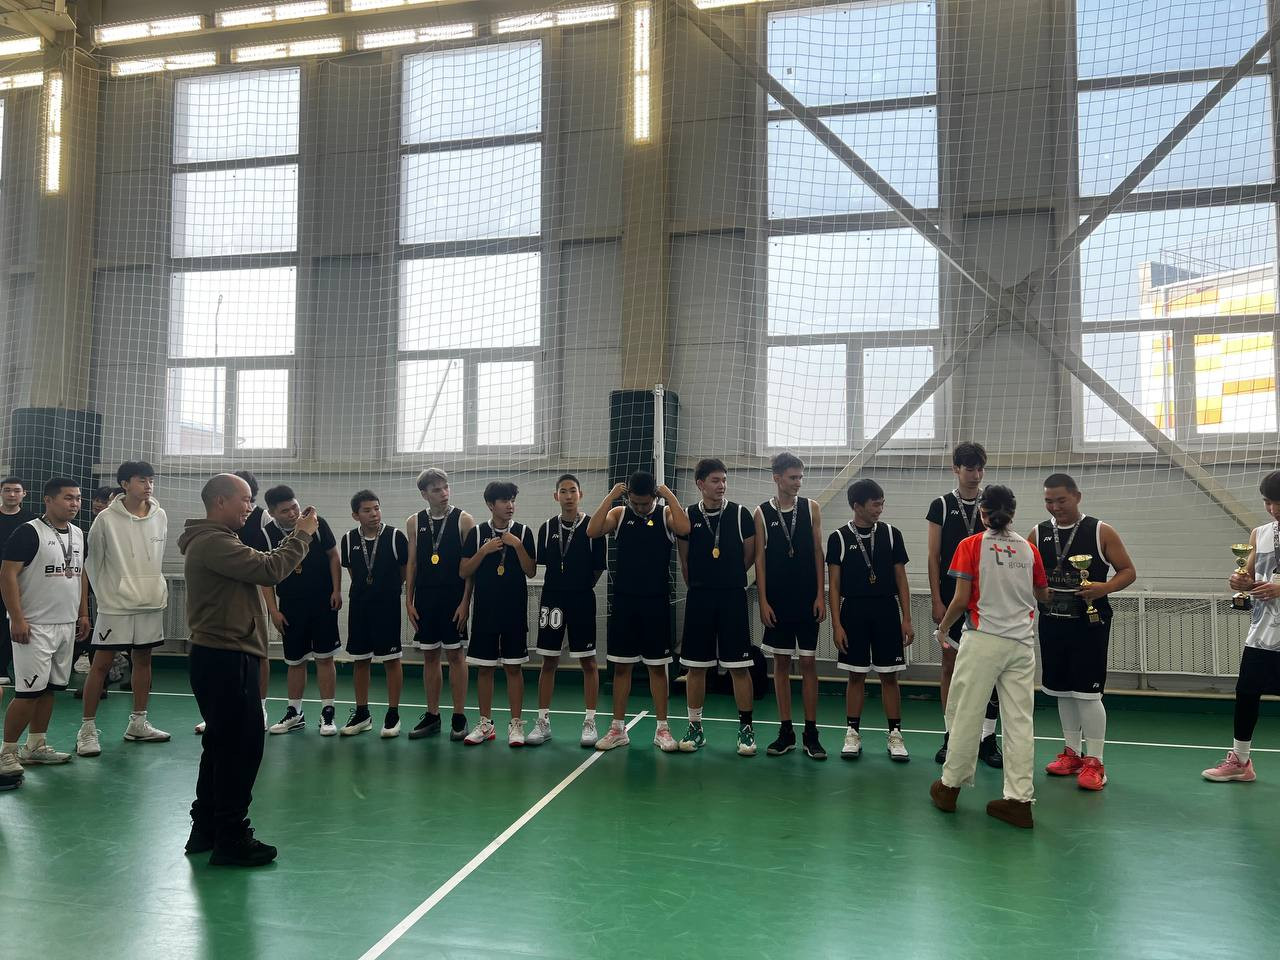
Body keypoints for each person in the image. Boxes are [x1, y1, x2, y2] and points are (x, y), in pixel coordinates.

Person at [179, 473, 314, 867]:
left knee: (220, 745)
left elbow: (263, 565)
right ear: (220, 501)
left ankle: (206, 828)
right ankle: (232, 836)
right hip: (225, 656)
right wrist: (301, 536)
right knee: (240, 749)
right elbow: (270, 570)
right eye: (245, 499)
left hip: (224, 654)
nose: (250, 507)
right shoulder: (214, 542)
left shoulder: (220, 539)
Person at [930, 485, 1049, 829]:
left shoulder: (970, 545)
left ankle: (949, 787)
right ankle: (1019, 801)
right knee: (1019, 722)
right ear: (1013, 512)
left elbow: (961, 598)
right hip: (1022, 645)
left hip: (983, 640)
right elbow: (1043, 595)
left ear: (982, 512)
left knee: (965, 712)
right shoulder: (1030, 550)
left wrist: (943, 628)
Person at [1033, 473, 1136, 791]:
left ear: (1077, 496)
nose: (1055, 507)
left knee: (1088, 694)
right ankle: (1072, 753)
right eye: (1049, 501)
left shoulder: (1100, 530)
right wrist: (1038, 592)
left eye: (1061, 500)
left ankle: (1096, 762)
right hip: (1052, 621)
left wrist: (1104, 588)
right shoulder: (1037, 533)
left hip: (1089, 622)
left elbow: (1128, 571)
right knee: (1062, 691)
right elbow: (1027, 575)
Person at [588, 470, 690, 752]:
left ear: (653, 497)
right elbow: (592, 531)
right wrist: (611, 497)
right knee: (622, 667)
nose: (640, 508)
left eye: (645, 503)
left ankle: (663, 729)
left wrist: (669, 496)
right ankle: (617, 729)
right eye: (635, 502)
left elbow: (684, 528)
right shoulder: (620, 513)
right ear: (628, 497)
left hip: (656, 603)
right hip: (625, 603)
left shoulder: (665, 514)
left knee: (658, 668)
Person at [76, 462, 170, 758]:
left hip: (150, 603)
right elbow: (93, 563)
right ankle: (87, 729)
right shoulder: (105, 519)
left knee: (143, 660)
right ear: (125, 484)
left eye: (151, 480)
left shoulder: (160, 515)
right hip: (115, 606)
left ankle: (138, 723)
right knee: (101, 665)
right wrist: (107, 596)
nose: (148, 486)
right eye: (142, 480)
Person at [0, 478, 89, 782]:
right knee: (28, 693)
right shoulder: (28, 532)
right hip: (34, 626)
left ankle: (35, 745)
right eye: (68, 498)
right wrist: (17, 618)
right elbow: (7, 575)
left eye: (77, 498)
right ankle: (6, 752)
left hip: (65, 624)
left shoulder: (78, 534)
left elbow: (80, 575)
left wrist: (83, 613)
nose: (74, 504)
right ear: (48, 500)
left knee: (50, 689)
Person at [926, 442, 1002, 767]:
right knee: (950, 667)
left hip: (987, 601)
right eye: (969, 468)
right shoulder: (941, 506)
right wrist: (937, 599)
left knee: (990, 668)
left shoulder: (993, 502)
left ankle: (987, 739)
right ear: (956, 469)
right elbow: (933, 557)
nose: (976, 474)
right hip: (952, 597)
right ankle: (951, 735)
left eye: (980, 468)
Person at [1202, 470, 1280, 782]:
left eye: (1278, 502)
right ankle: (1241, 761)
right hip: (1262, 633)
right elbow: (1246, 576)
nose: (1273, 509)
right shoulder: (1259, 534)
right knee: (1247, 693)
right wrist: (1239, 581)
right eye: (1267, 502)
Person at [676, 458, 758, 755]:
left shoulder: (740, 514)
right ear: (700, 484)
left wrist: (729, 578)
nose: (721, 485)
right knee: (696, 667)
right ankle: (695, 727)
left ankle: (746, 729)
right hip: (700, 598)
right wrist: (702, 583)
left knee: (739, 667)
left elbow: (749, 556)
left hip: (732, 597)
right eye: (715, 480)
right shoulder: (687, 516)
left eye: (724, 480)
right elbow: (684, 560)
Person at [828, 479, 913, 762]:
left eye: (882, 503)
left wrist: (907, 618)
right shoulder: (839, 538)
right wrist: (836, 625)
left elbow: (901, 579)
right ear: (857, 506)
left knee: (890, 676)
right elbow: (834, 586)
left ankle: (895, 735)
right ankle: (852, 733)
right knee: (856, 675)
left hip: (887, 610)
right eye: (875, 504)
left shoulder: (891, 534)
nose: (880, 509)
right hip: (853, 611)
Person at [754, 452, 826, 760]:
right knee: (781, 663)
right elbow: (759, 558)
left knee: (808, 663)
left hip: (807, 598)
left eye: (800, 477)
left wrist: (820, 595)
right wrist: (763, 600)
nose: (798, 482)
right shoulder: (761, 512)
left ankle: (811, 732)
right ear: (777, 478)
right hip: (778, 600)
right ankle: (786, 731)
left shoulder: (811, 508)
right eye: (793, 477)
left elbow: (818, 552)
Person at [527, 474, 607, 747]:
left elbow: (598, 568)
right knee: (548, 660)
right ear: (556, 496)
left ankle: (590, 721)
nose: (569, 495)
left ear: (580, 494)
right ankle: (543, 722)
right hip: (552, 600)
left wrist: (580, 586)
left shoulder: (593, 527)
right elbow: (543, 564)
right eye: (563, 491)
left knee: (588, 661)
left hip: (582, 599)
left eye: (573, 490)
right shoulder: (547, 527)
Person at [459, 481, 536, 746]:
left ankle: (516, 725)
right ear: (491, 505)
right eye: (504, 500)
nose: (510, 505)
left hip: (514, 611)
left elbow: (531, 571)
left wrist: (518, 546)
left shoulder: (523, 532)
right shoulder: (477, 533)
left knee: (514, 667)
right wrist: (483, 551)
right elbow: (464, 571)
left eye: (512, 500)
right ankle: (485, 724)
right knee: (485, 669)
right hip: (485, 612)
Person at [260, 485, 341, 737]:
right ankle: (295, 712)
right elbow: (265, 576)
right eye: (285, 511)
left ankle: (328, 713)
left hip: (322, 602)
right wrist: (273, 611)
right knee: (295, 661)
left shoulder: (317, 523)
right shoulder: (267, 534)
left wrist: (337, 590)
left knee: (325, 658)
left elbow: (333, 557)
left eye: (294, 507)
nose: (293, 513)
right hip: (290, 606)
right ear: (272, 513)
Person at [405, 468, 473, 741]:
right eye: (436, 490)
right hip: (425, 599)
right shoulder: (414, 522)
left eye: (446, 487)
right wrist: (409, 601)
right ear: (424, 494)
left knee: (456, 656)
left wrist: (465, 602)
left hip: (453, 599)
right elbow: (412, 563)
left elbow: (469, 567)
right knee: (430, 656)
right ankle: (432, 715)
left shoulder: (463, 520)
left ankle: (459, 716)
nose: (444, 493)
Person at [340, 491, 409, 739]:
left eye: (376, 508)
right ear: (355, 515)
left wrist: (387, 590)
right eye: (367, 510)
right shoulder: (348, 539)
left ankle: (393, 714)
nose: (374, 514)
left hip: (387, 607)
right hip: (359, 606)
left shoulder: (395, 536)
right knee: (360, 660)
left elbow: (404, 571)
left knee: (392, 660)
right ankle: (362, 714)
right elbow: (353, 571)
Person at [0, 476, 34, 689]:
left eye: (16, 490)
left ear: (24, 494)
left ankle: (9, 667)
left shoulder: (31, 521)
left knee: (13, 624)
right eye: (7, 490)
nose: (12, 494)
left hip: (21, 583)